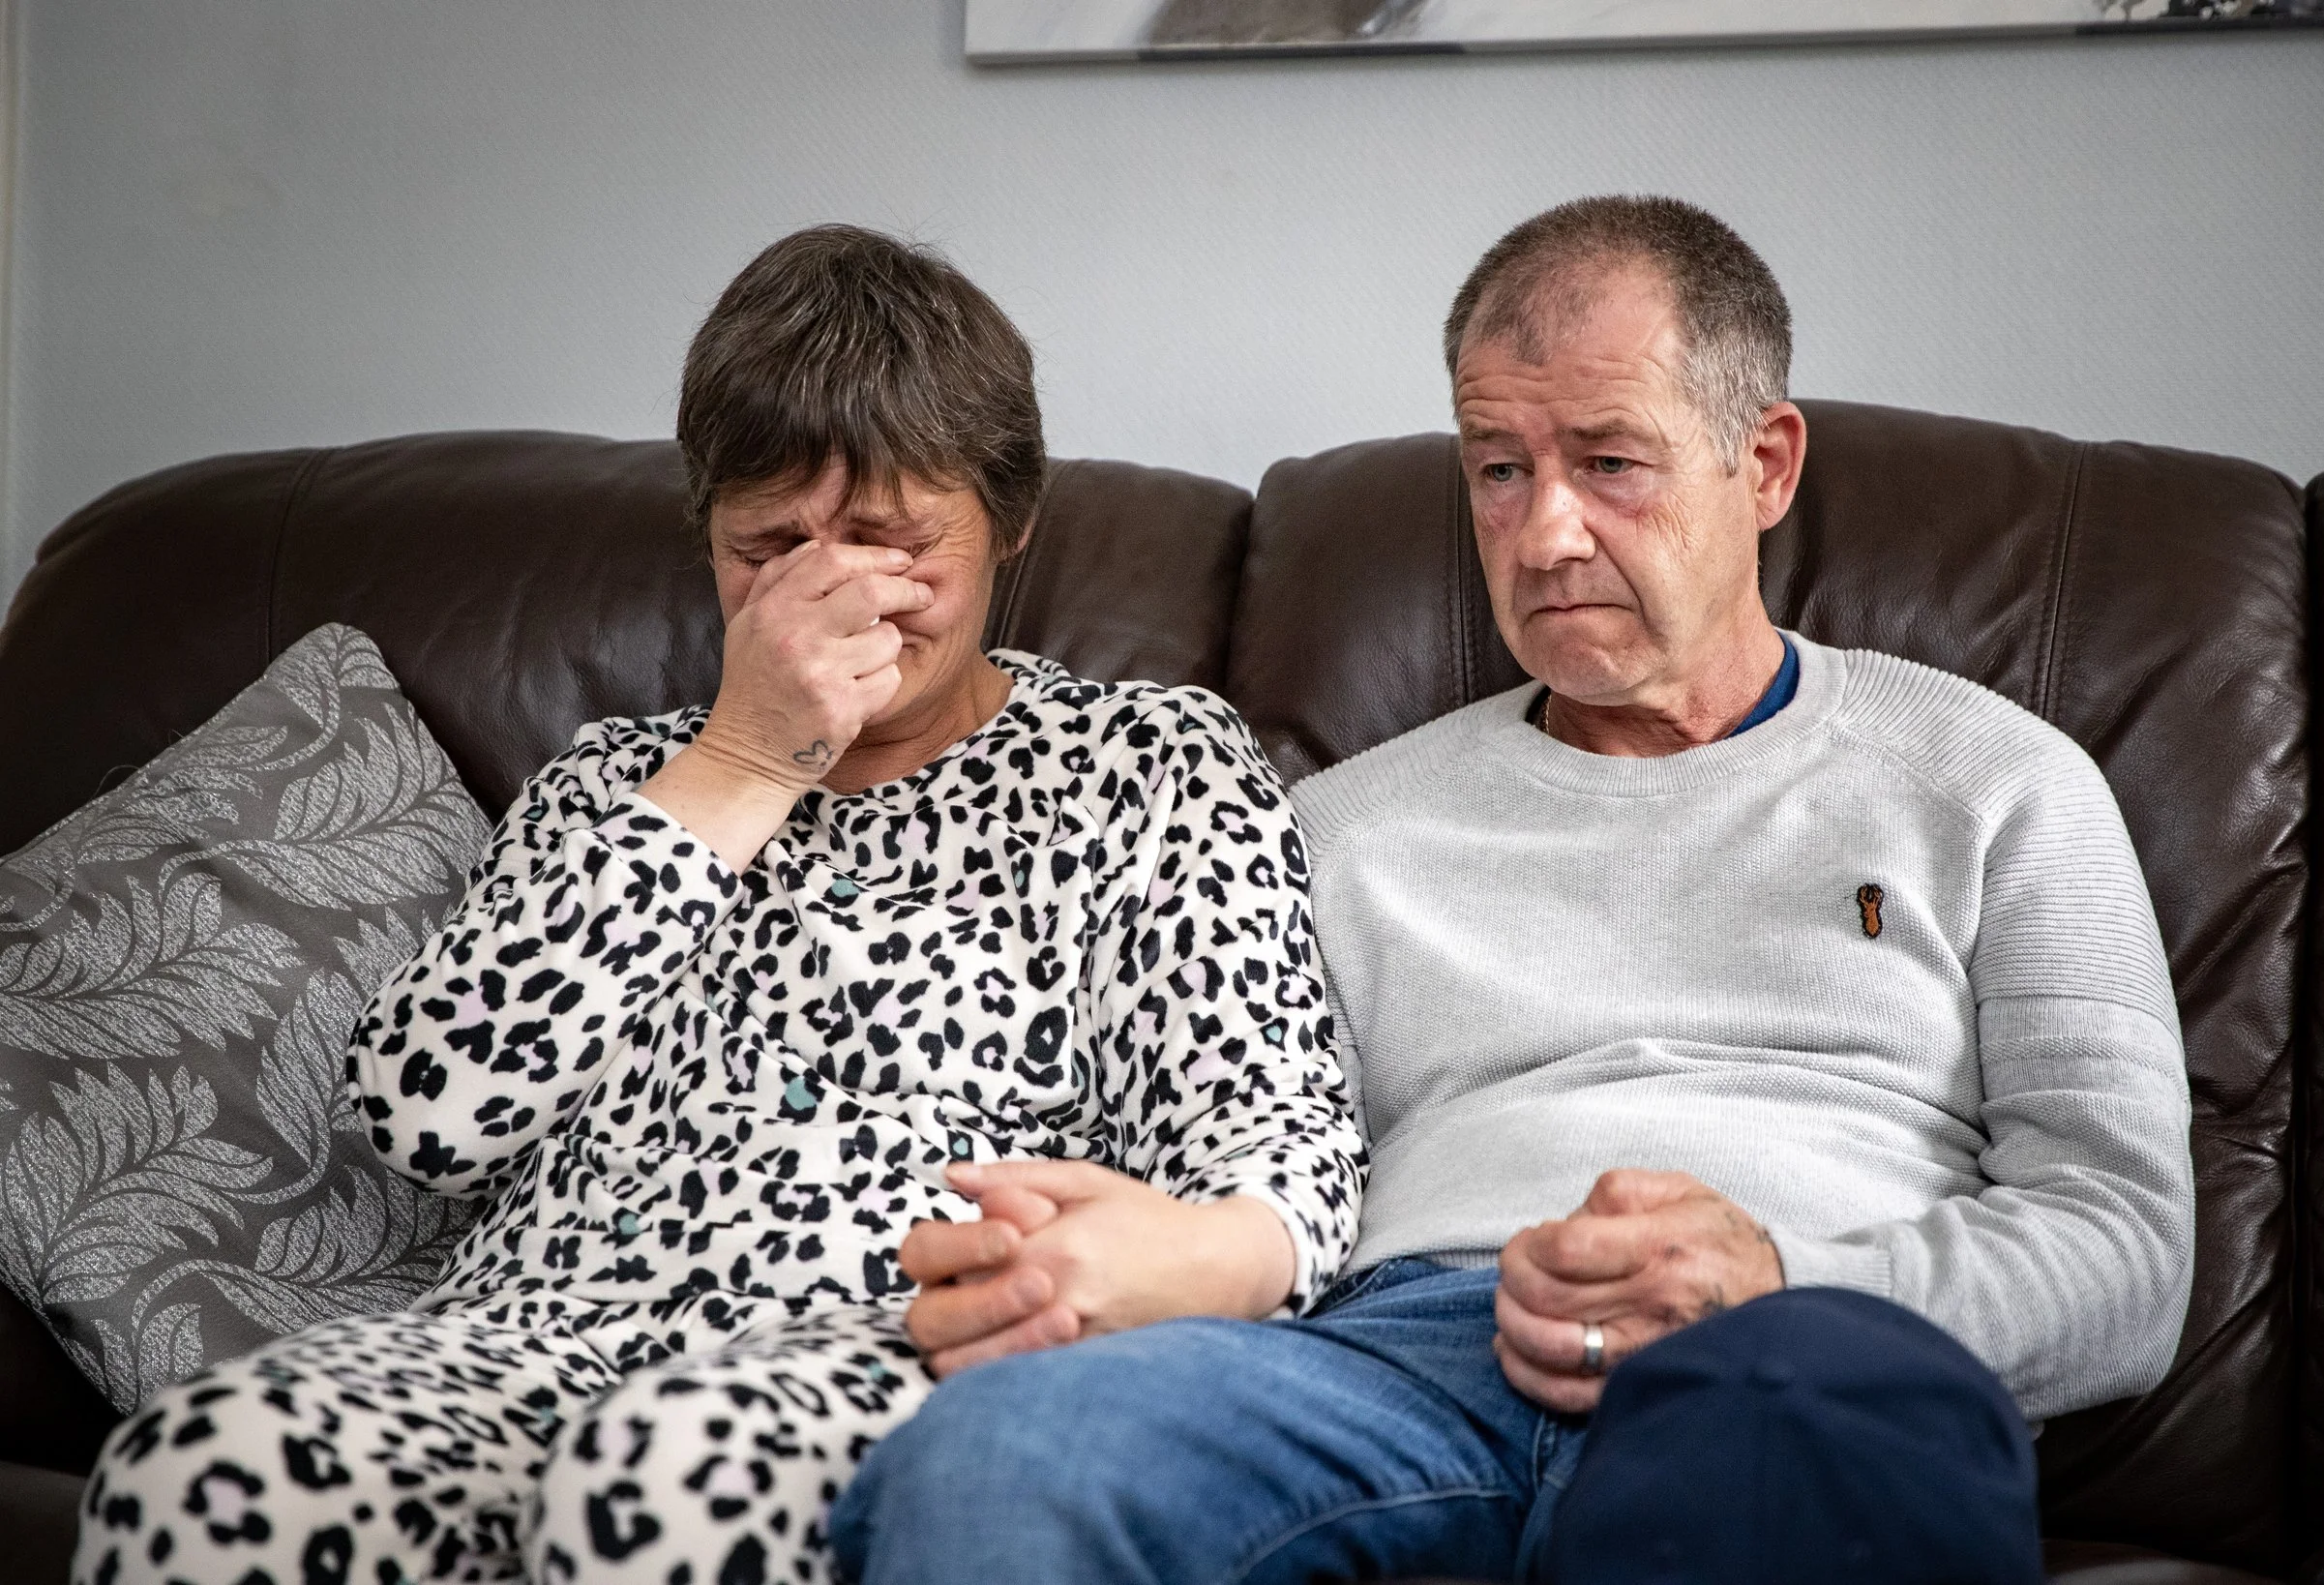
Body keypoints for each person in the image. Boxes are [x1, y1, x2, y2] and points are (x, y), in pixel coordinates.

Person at [832, 196, 2196, 1585]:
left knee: (1783, 1460)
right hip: (1396, 1359)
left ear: (1765, 461)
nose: (1544, 533)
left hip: (1796, 1352)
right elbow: (1234, 1165)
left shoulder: (1996, 780)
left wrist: (1782, 1278)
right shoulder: (1338, 826)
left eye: (1611, 462)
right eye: (1497, 469)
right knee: (999, 1451)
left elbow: (2126, 1247)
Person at [71, 225, 1363, 1585]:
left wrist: (1149, 1259)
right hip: (527, 1338)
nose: (828, 589)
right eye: (770, 546)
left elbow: (1282, 1157)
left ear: (1013, 523)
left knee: (658, 1476)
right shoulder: (619, 778)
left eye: (890, 540)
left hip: (883, 1345)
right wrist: (744, 763)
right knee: (204, 1463)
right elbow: (425, 1116)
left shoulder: (1149, 766)